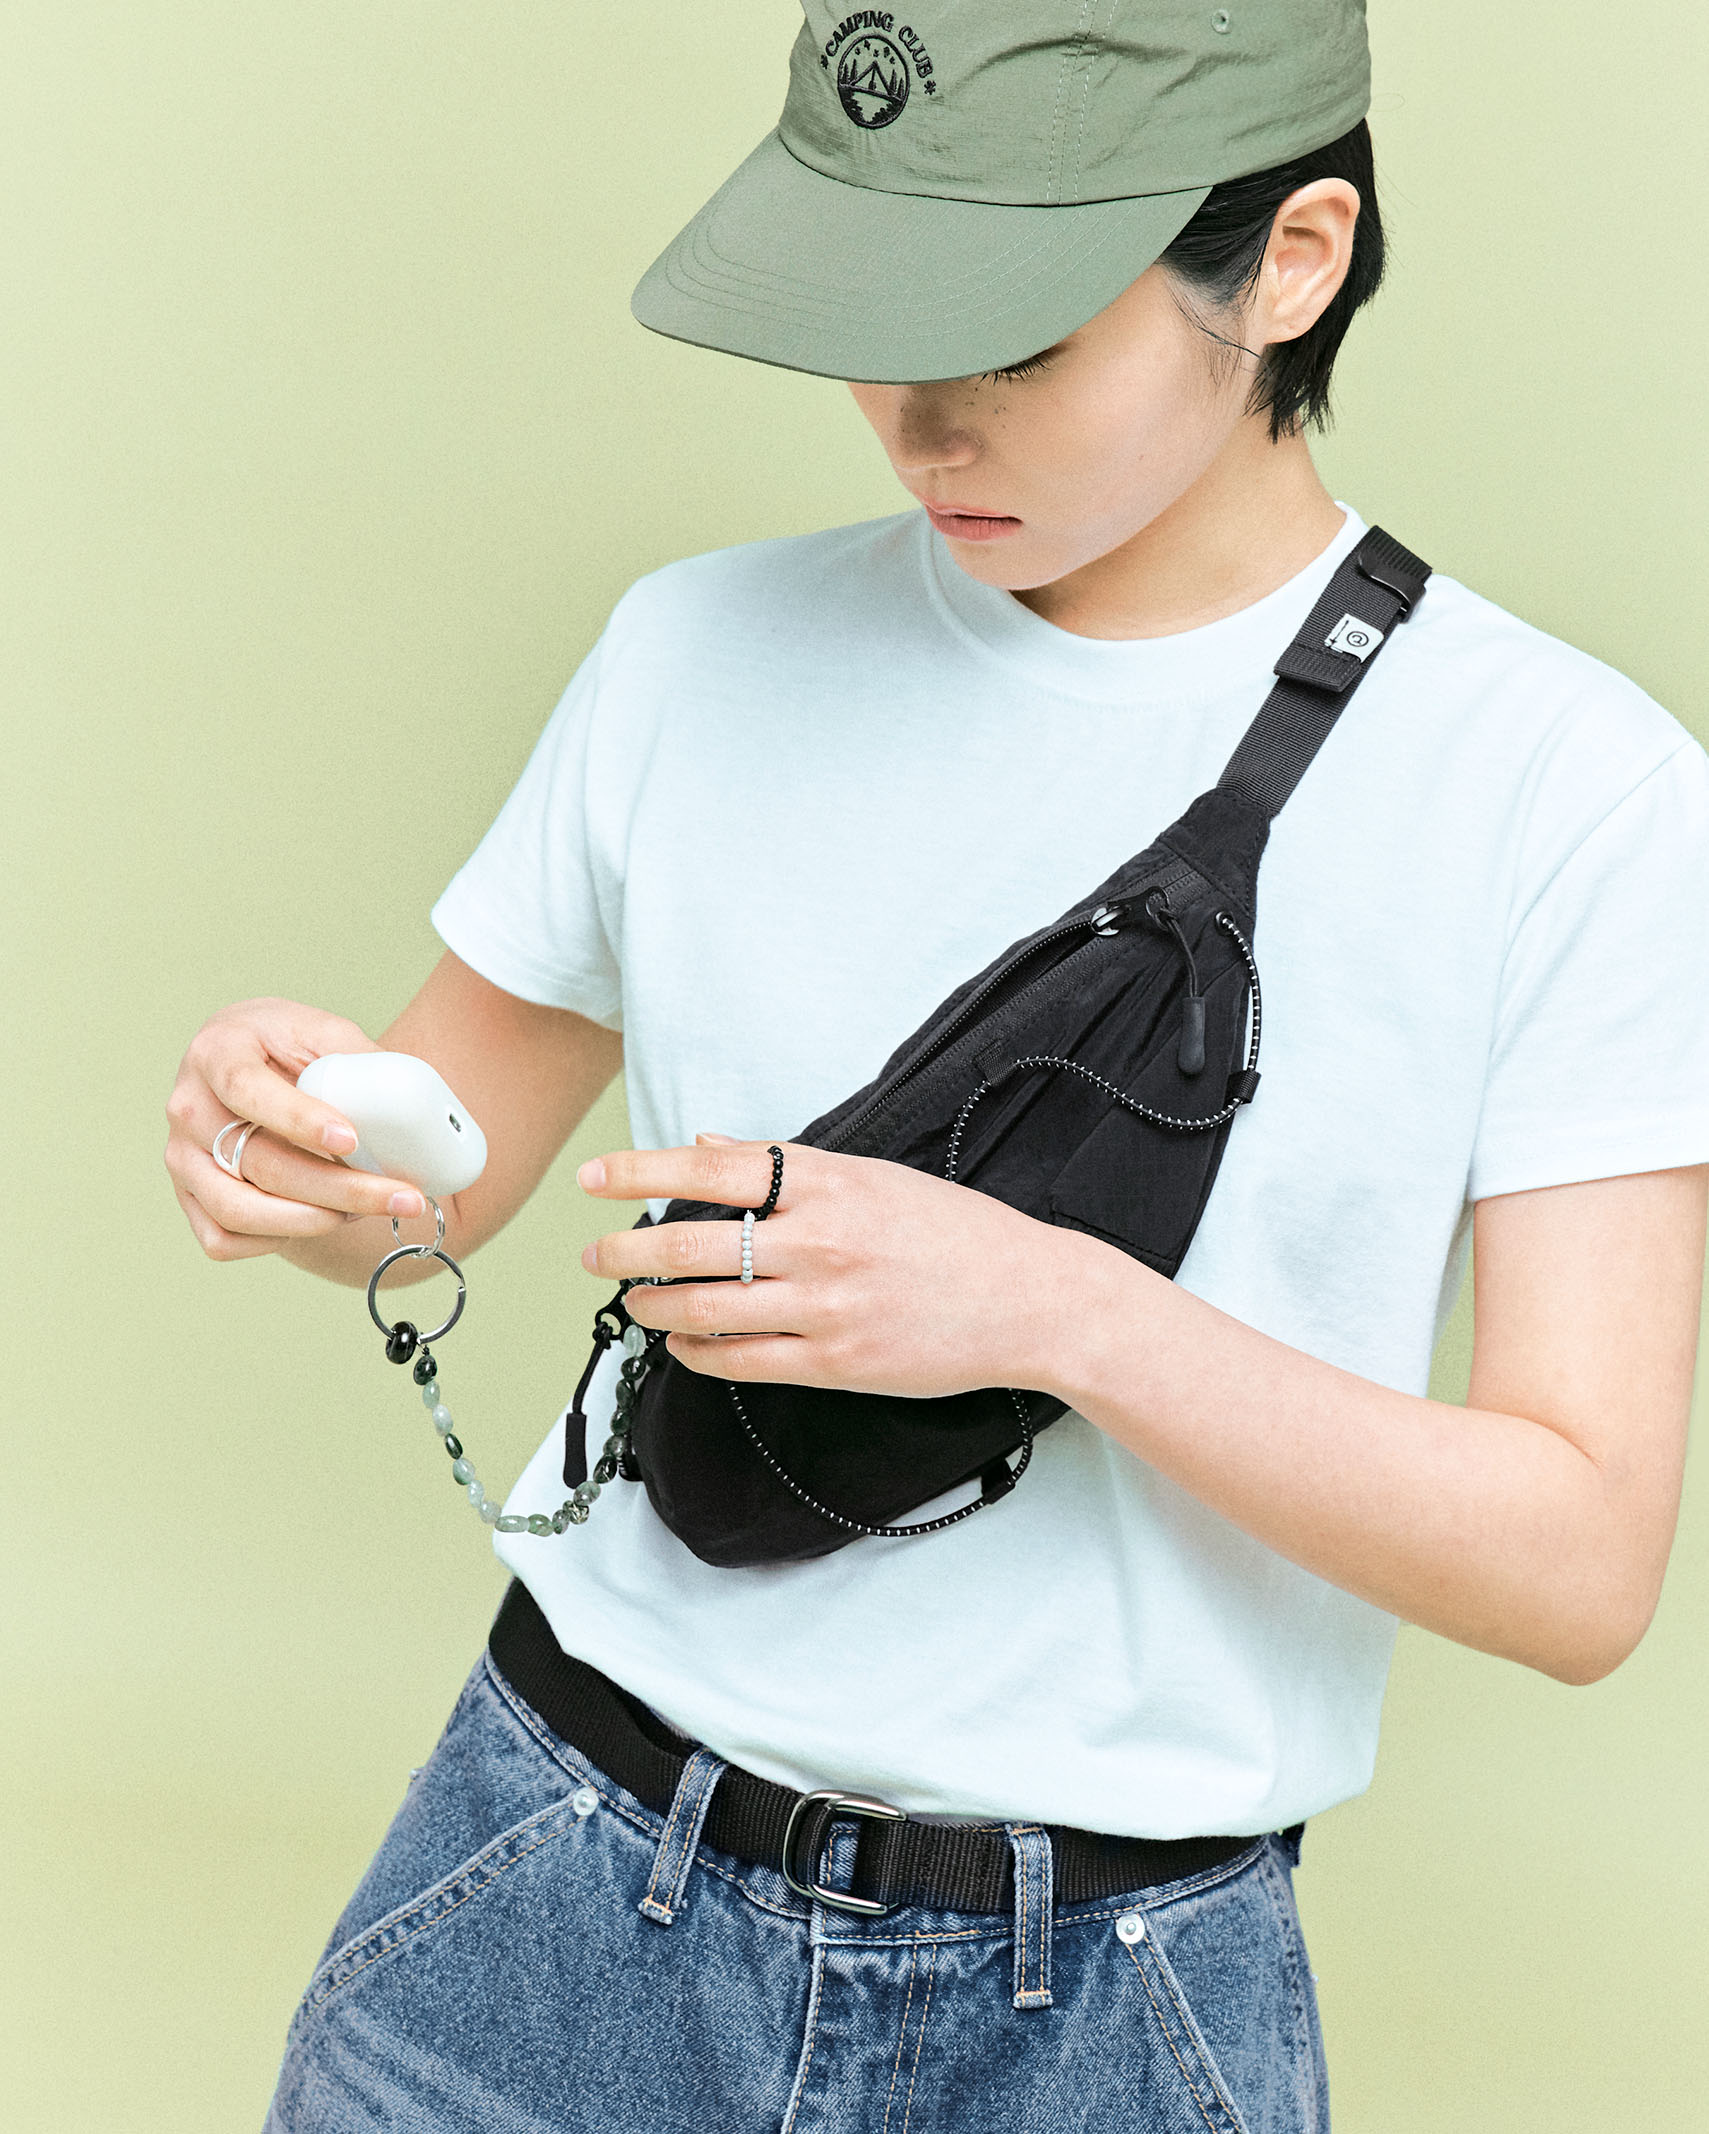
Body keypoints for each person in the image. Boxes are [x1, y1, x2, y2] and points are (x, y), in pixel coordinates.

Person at [163, 6, 1709, 2130]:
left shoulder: (1568, 795)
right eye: (872, 326)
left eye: (1017, 341)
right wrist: (289, 1153)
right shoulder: (693, 650)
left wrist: (1057, 1310)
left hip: (1107, 2011)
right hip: (542, 1895)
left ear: (1292, 259)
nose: (921, 424)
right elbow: (424, 1189)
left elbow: (1579, 1557)